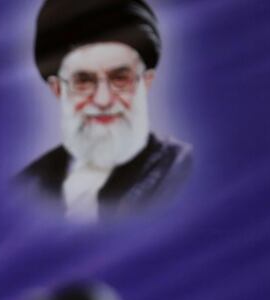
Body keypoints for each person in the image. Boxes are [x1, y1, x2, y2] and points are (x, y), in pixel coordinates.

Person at [19, 0, 192, 222]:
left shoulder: (181, 172)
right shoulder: (29, 185)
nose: (103, 100)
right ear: (57, 89)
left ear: (146, 82)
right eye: (83, 81)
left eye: (120, 78)